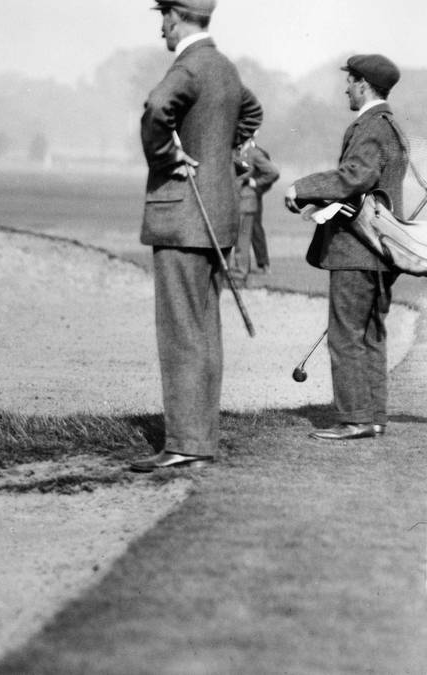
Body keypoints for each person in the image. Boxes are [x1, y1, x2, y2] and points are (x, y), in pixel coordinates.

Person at [130, 0, 262, 472]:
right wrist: (220, 153)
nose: (162, 28)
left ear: (174, 16)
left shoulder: (188, 66)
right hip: (218, 217)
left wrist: (169, 157)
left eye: (163, 18)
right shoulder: (224, 67)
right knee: (204, 332)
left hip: (183, 218)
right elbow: (252, 111)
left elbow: (156, 108)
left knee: (182, 333)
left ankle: (186, 444)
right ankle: (199, 441)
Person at [284, 54, 407, 440]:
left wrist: (301, 188)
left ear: (364, 85)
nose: (346, 89)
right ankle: (373, 418)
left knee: (346, 335)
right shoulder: (391, 126)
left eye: (350, 81)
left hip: (356, 249)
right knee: (371, 334)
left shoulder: (371, 126)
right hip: (381, 251)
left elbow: (355, 176)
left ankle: (354, 419)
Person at [228, 136, 280, 285]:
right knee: (237, 240)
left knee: (242, 241)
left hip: (247, 202)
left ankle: (240, 275)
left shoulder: (253, 153)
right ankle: (237, 272)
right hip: (236, 201)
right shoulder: (237, 151)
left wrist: (255, 182)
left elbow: (273, 172)